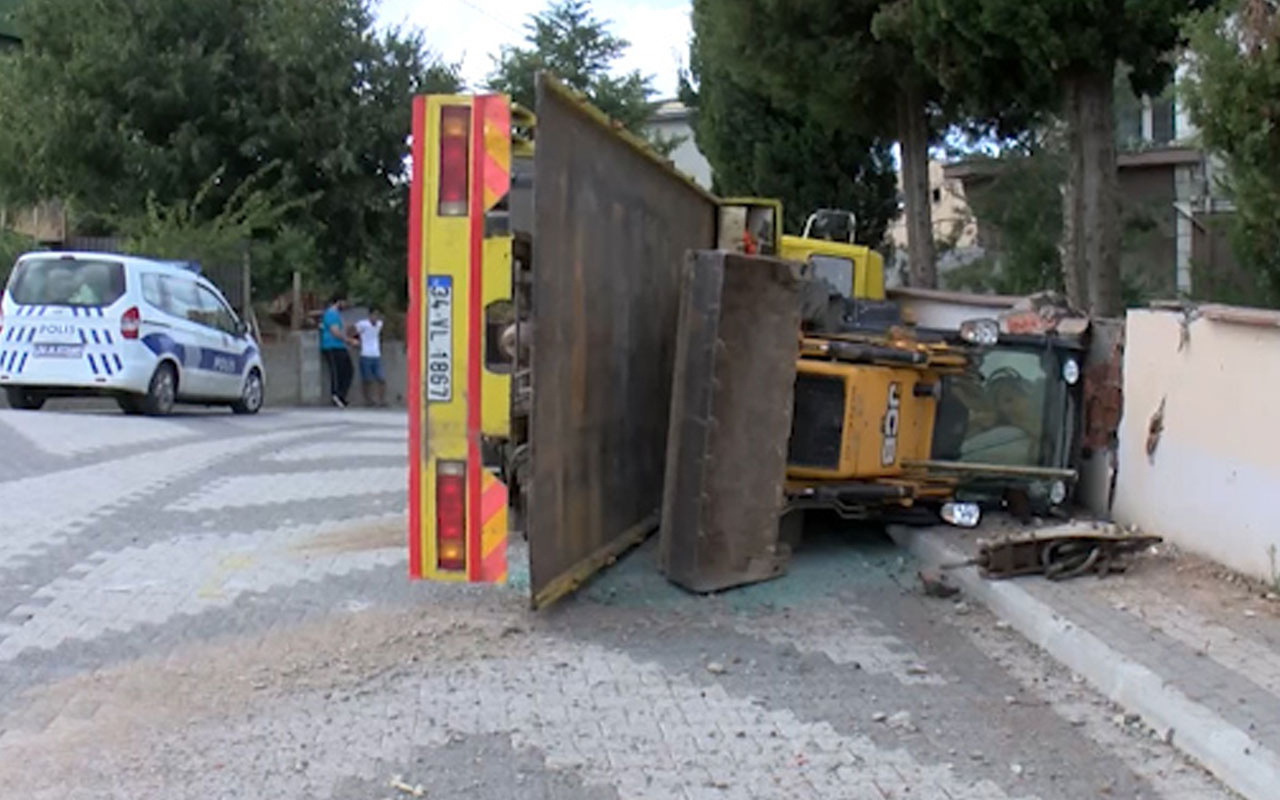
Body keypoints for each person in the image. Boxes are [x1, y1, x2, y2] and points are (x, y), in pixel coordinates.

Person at [320, 292, 358, 407]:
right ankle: (336, 394)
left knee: (348, 370)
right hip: (331, 346)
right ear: (339, 302)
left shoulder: (337, 315)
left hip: (340, 346)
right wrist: (349, 341)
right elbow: (335, 331)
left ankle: (341, 395)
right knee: (337, 371)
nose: (345, 305)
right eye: (344, 302)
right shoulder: (331, 314)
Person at [355, 307, 386, 407]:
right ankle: (368, 400)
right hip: (365, 354)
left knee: (381, 379)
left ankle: (381, 400)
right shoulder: (362, 324)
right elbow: (351, 330)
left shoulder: (379, 324)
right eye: (374, 315)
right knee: (367, 380)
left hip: (376, 354)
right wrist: (355, 341)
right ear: (369, 315)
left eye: (377, 315)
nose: (375, 318)